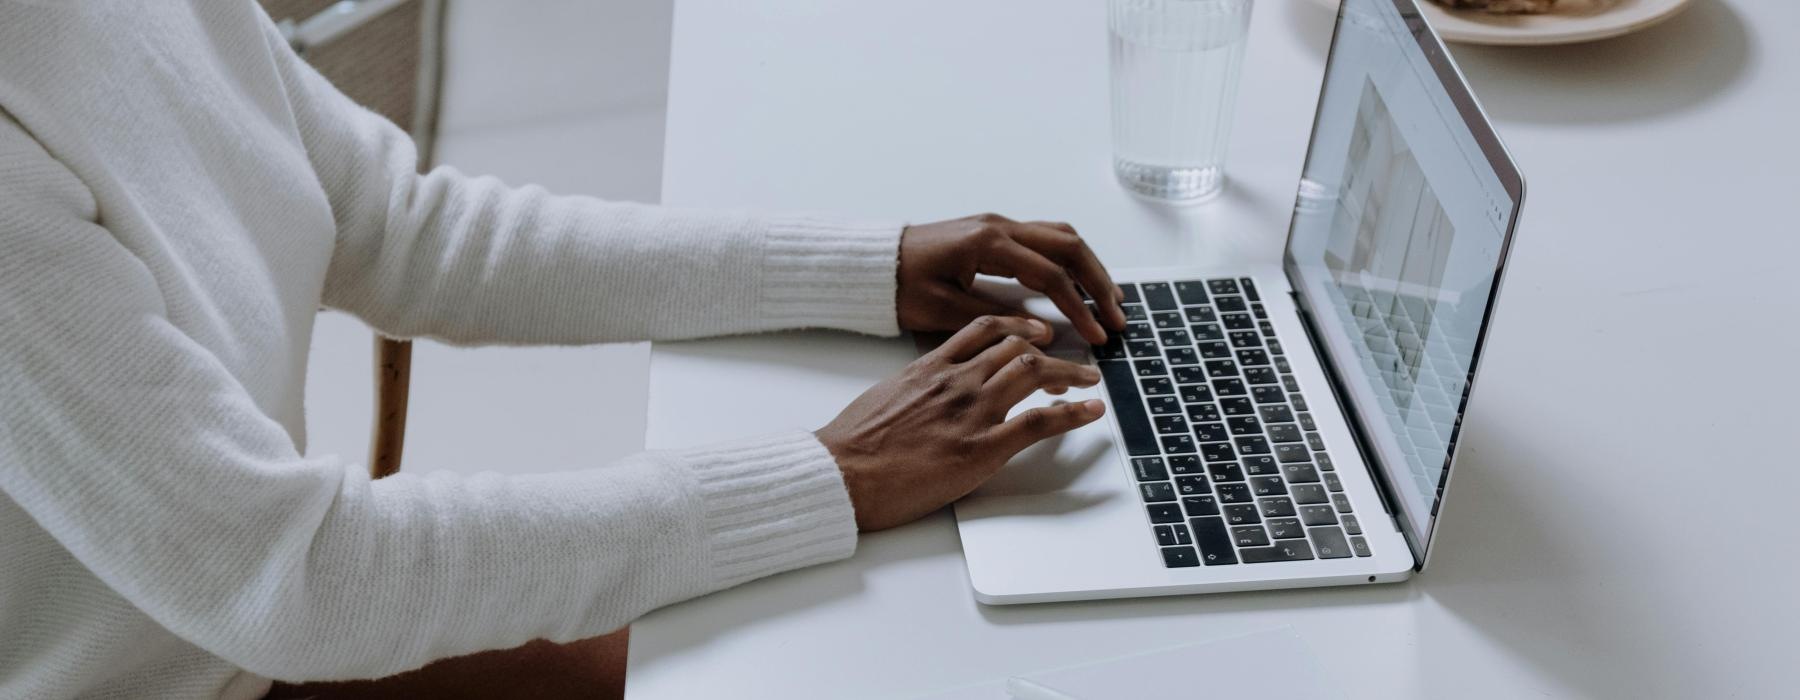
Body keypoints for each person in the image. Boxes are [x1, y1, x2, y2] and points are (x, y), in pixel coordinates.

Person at [0, 2, 1128, 698]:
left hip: (254, 642)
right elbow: (302, 577)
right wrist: (833, 473)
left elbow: (401, 226)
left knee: (855, 633)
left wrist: (863, 266)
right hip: (217, 671)